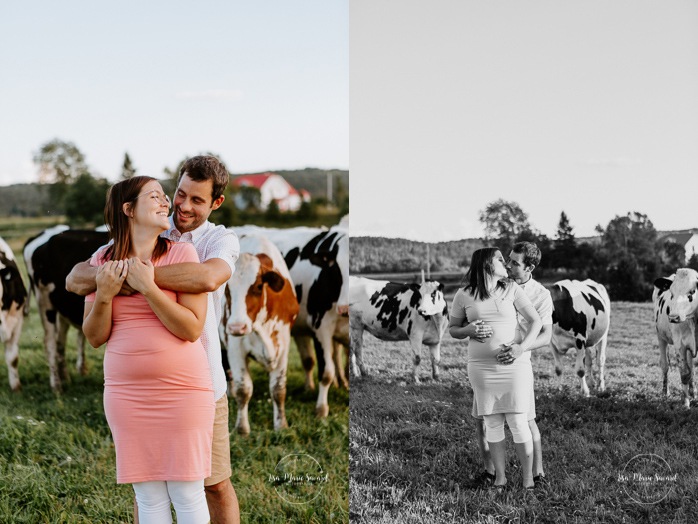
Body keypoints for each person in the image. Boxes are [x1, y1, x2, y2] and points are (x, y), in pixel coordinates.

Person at [68, 156, 240, 523]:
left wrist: (140, 281)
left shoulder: (216, 240)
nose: (180, 205)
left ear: (215, 203)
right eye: (178, 194)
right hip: (129, 393)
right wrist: (106, 284)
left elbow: (207, 279)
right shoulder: (117, 250)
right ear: (130, 210)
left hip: (201, 384)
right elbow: (76, 280)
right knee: (147, 494)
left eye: (197, 200)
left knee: (210, 486)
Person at [461, 242, 553, 489]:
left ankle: (536, 474)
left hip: (518, 364)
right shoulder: (493, 286)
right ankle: (491, 472)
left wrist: (521, 348)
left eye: (515, 262)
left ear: (529, 267)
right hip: (486, 366)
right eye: (507, 260)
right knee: (483, 418)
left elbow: (545, 335)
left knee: (524, 420)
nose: (509, 265)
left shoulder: (541, 295)